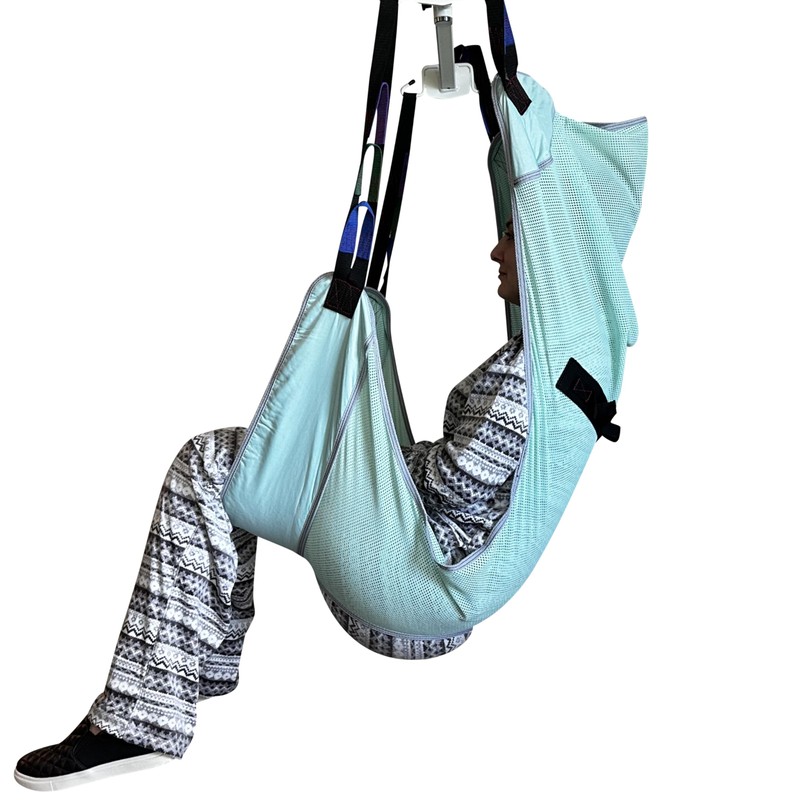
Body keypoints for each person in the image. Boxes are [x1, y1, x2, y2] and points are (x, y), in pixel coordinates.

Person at [14, 220, 526, 791]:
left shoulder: (525, 376)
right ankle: (183, 673)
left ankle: (143, 718)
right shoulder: (565, 358)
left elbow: (455, 486)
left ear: (543, 245)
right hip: (431, 588)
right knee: (243, 478)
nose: (495, 250)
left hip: (408, 577)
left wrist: (373, 455)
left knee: (211, 465)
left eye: (510, 235)